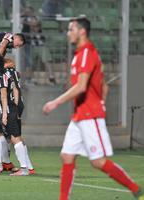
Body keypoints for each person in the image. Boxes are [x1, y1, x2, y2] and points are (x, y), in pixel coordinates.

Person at [42, 17, 144, 200]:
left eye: (70, 29)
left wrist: (55, 102)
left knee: (98, 162)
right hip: (79, 115)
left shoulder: (88, 53)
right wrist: (101, 100)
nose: (68, 33)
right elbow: (104, 85)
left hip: (90, 116)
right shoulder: (80, 55)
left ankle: (137, 190)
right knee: (67, 156)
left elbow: (81, 86)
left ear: (82, 31)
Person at [0, 52, 34, 176]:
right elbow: (16, 89)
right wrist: (16, 107)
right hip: (9, 109)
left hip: (7, 110)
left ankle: (24, 169)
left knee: (15, 138)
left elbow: (4, 95)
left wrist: (6, 114)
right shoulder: (9, 73)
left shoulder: (0, 75)